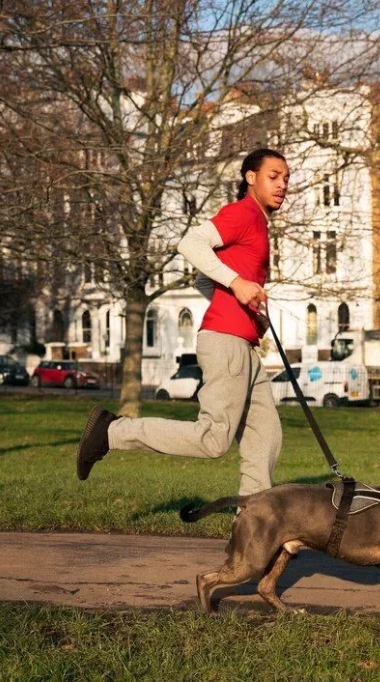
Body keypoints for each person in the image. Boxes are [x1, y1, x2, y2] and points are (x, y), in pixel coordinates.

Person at [75, 148, 289, 497]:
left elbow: (203, 281)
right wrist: (236, 285)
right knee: (214, 438)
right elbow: (189, 243)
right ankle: (112, 432)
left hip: (243, 344)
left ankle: (254, 526)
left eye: (286, 178)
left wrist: (245, 307)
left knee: (265, 437)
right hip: (226, 342)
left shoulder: (258, 224)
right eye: (274, 176)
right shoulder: (243, 213)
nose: (282, 185)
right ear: (251, 178)